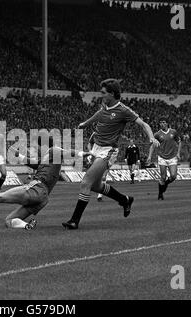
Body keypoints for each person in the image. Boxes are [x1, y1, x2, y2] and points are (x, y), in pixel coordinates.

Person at [62, 79, 160, 230]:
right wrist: (85, 124)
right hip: (96, 148)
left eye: (103, 93)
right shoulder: (105, 107)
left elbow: (143, 124)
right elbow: (98, 115)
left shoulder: (123, 110)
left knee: (85, 182)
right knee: (95, 186)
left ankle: (74, 220)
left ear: (112, 93)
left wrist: (151, 137)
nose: (100, 95)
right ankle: (125, 200)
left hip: (108, 150)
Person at [0, 136, 90, 230]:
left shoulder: (53, 151)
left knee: (0, 197)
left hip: (37, 188)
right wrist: (19, 155)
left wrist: (84, 153)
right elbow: (32, 162)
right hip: (42, 199)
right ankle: (26, 226)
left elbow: (68, 152)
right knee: (9, 221)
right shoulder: (48, 159)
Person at [147, 117, 181, 200]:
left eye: (163, 122)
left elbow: (179, 142)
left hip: (172, 157)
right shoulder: (157, 134)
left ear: (167, 123)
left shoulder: (173, 132)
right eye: (160, 122)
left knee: (173, 176)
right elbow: (152, 145)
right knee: (163, 177)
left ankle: (165, 184)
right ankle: (160, 194)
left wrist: (178, 153)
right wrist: (149, 156)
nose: (161, 124)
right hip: (162, 157)